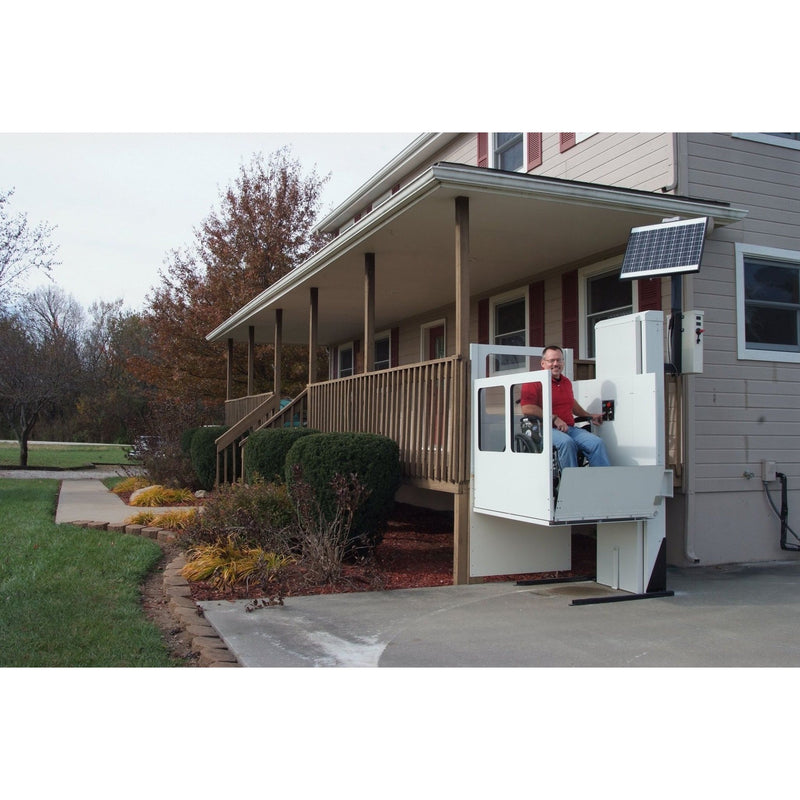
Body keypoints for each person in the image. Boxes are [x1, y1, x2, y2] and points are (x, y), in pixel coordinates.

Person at [520, 345, 611, 468]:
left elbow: (571, 403)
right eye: (551, 360)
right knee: (566, 443)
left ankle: (602, 483)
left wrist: (589, 415)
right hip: (543, 429)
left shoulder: (566, 382)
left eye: (559, 360)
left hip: (569, 429)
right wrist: (553, 418)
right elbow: (527, 408)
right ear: (543, 363)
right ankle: (571, 484)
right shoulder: (533, 381)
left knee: (596, 443)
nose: (556, 363)